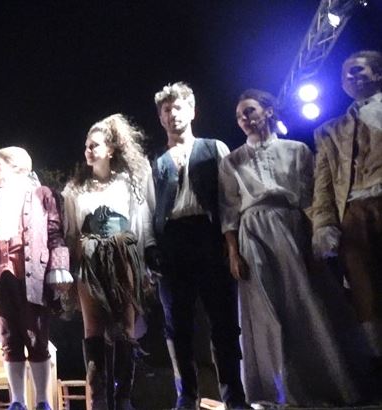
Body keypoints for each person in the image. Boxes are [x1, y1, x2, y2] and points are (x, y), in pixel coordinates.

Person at [220, 89, 374, 406]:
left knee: (303, 302)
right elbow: (229, 211)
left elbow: (310, 199)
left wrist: (315, 238)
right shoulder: (232, 161)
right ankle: (274, 388)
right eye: (239, 116)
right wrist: (233, 252)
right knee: (265, 309)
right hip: (253, 232)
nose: (244, 119)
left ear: (268, 111)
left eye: (249, 111)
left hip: (290, 228)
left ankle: (322, 383)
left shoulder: (296, 150)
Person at [149, 83, 247, 409]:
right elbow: (150, 207)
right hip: (172, 242)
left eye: (178, 107)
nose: (172, 114)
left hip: (209, 236)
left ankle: (234, 395)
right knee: (177, 326)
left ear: (192, 111)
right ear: (160, 118)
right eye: (166, 110)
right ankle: (186, 396)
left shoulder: (213, 147)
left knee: (223, 322)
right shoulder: (156, 161)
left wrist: (231, 243)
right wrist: (152, 249)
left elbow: (229, 197)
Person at [62, 114, 155, 410]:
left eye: (95, 145)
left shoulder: (129, 183)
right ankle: (99, 398)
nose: (88, 150)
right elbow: (72, 232)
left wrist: (143, 265)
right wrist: (71, 270)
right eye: (86, 146)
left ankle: (123, 397)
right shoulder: (76, 189)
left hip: (122, 255)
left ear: (111, 149)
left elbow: (140, 225)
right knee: (93, 328)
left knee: (125, 328)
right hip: (89, 259)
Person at [0, 147, 72, 410]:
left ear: (17, 167)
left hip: (32, 279)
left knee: (36, 337)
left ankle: (42, 400)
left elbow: (55, 233)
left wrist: (59, 266)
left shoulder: (43, 195)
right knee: (8, 338)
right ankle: (17, 400)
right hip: (1, 282)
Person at [311, 50, 382, 362]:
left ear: (378, 74)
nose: (351, 77)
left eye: (358, 70)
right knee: (365, 290)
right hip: (353, 212)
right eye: (346, 74)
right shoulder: (329, 130)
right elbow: (323, 184)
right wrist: (323, 225)